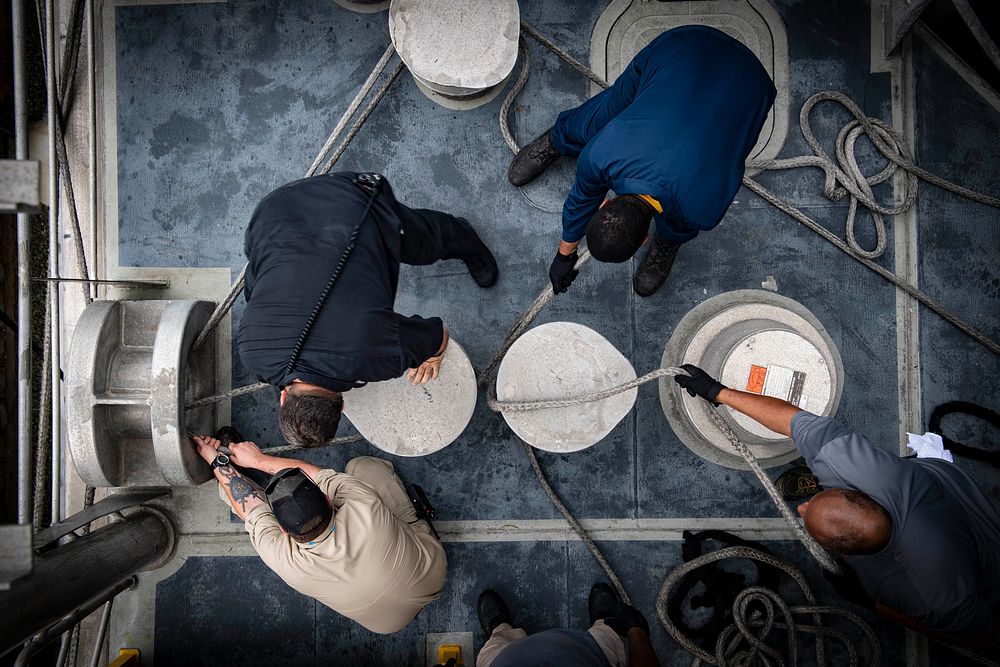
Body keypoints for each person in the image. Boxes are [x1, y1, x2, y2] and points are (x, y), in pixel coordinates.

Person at [673, 364, 1000, 652]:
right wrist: (718, 392)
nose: (800, 509)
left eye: (806, 514)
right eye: (812, 503)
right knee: (819, 452)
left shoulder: (933, 596)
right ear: (857, 493)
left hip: (984, 564)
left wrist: (874, 604)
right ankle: (820, 483)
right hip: (948, 488)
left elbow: (982, 637)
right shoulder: (851, 463)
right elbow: (790, 419)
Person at [507, 26, 776, 297]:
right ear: (607, 204)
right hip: (703, 58)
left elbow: (583, 199)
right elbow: (582, 199)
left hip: (733, 75)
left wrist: (564, 256)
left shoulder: (702, 210)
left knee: (604, 120)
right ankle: (559, 137)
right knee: (604, 116)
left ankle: (668, 242)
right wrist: (564, 255)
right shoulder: (602, 157)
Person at [238, 171, 498, 447]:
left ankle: (464, 236)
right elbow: (255, 292)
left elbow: (437, 335)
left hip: (354, 204)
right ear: (283, 398)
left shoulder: (374, 359)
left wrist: (431, 358)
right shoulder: (253, 357)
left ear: (341, 408)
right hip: (274, 210)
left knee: (423, 240)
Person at [193, 428, 447, 634]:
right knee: (362, 466)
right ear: (327, 500)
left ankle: (230, 466)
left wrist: (216, 460)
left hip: (388, 624)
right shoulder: (364, 506)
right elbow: (315, 473)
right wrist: (258, 460)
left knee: (235, 500)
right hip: (432, 573)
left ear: (282, 529)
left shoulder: (287, 561)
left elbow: (251, 507)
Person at [475, 584, 660, 667]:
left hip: (503, 659)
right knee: (606, 637)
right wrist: (635, 627)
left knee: (495, 645)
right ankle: (604, 622)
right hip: (588, 653)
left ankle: (500, 628)